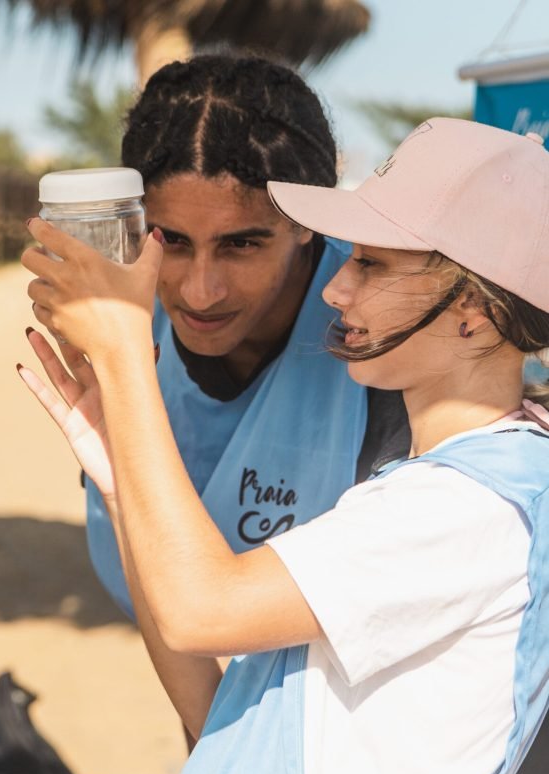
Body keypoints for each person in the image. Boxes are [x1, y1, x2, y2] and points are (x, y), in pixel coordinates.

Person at [18, 117, 549, 774]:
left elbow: (200, 610)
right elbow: (226, 722)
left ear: (472, 308)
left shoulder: (468, 509)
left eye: (371, 264)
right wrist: (122, 482)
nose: (335, 289)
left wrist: (125, 355)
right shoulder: (440, 490)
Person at [84, 54, 409, 621]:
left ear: (309, 222)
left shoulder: (392, 345)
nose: (199, 291)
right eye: (172, 241)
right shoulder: (119, 324)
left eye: (241, 245)